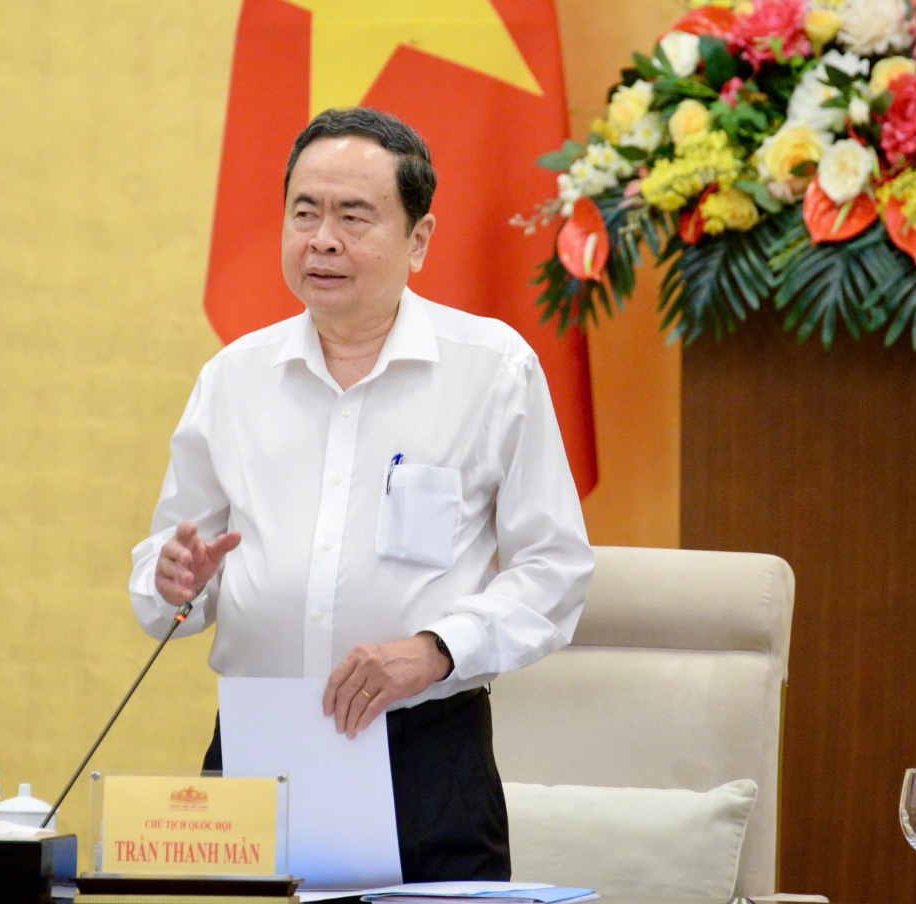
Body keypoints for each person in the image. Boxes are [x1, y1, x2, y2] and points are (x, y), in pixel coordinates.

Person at [130, 107, 594, 881]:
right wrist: (173, 579)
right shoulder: (233, 379)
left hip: (427, 759)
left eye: (353, 216)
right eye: (304, 213)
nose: (322, 240)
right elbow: (164, 588)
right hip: (256, 752)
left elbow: (556, 570)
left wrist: (437, 650)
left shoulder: (491, 370)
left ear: (419, 238)